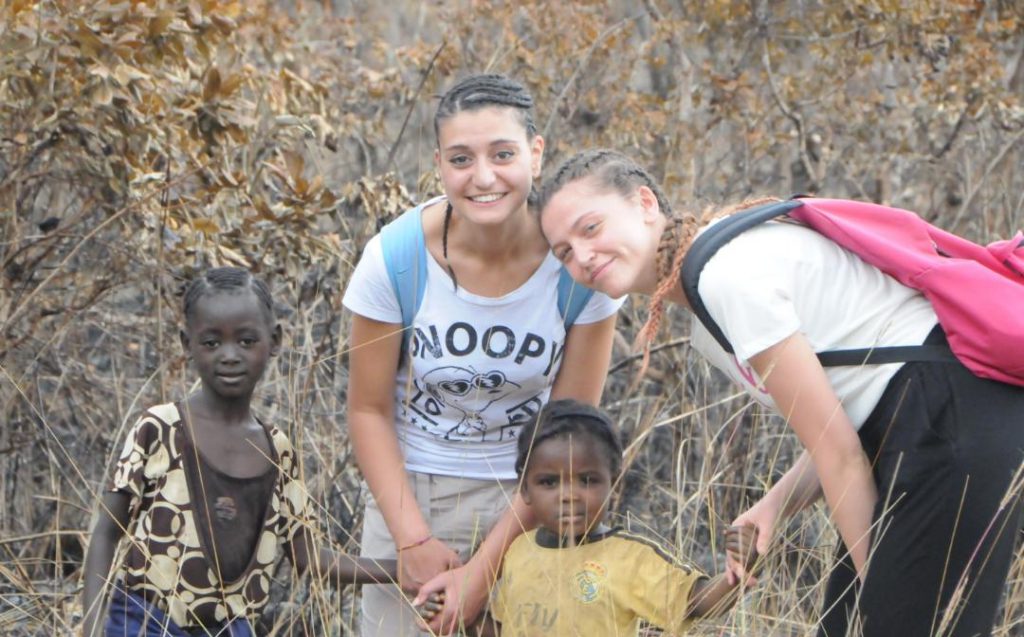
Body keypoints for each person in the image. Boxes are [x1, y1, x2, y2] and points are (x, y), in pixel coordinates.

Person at [537, 149, 1024, 637]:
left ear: (644, 203)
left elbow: (841, 453)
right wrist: (775, 504)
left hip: (953, 423)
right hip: (926, 424)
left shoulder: (727, 277)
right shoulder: (708, 314)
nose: (582, 257)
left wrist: (881, 604)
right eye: (563, 252)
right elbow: (846, 417)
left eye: (591, 228)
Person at [341, 75, 621, 636]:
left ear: (535, 154)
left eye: (503, 154)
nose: (484, 177)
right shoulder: (395, 259)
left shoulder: (582, 267)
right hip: (415, 497)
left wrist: (484, 567)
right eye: (462, 158)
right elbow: (368, 409)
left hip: (533, 503)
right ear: (439, 163)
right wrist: (413, 540)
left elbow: (566, 439)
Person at [81, 267, 401, 637]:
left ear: (275, 340)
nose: (230, 356)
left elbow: (309, 559)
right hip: (145, 620)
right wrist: (90, 629)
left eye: (246, 341)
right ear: (187, 344)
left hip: (229, 628)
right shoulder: (160, 429)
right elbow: (106, 533)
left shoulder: (276, 451)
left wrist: (399, 571)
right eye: (211, 342)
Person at [446, 398, 757, 636]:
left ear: (614, 484)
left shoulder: (630, 558)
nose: (569, 495)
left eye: (588, 480)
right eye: (549, 482)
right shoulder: (518, 551)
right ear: (524, 491)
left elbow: (697, 602)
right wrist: (459, 621)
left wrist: (742, 566)